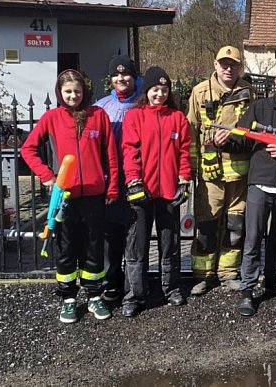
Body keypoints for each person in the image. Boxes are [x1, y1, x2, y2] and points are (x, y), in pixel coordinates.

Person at [214, 62, 276, 316]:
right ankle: (248, 290)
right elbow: (242, 140)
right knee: (253, 237)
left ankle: (270, 282)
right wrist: (223, 143)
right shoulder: (259, 108)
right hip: (260, 183)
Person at [21, 69, 118, 323]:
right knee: (66, 249)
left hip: (95, 196)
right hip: (64, 197)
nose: (73, 95)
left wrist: (113, 187)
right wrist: (48, 176)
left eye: (77, 91)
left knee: (94, 248)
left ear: (84, 91)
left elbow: (111, 156)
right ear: (60, 93)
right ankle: (68, 299)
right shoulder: (51, 118)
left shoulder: (99, 116)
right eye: (68, 91)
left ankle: (95, 296)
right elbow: (28, 149)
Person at [120, 66, 192, 317]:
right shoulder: (135, 117)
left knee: (169, 242)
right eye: (154, 90)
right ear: (146, 91)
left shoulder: (178, 118)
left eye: (164, 90)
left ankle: (171, 288)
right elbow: (130, 151)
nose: (159, 94)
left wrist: (184, 181)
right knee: (137, 245)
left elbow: (184, 152)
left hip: (169, 191)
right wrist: (133, 180)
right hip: (142, 190)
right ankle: (134, 295)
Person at [186, 46, 255, 296]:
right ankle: (203, 275)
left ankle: (228, 273)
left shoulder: (249, 92)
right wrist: (191, 169)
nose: (228, 68)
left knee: (235, 227)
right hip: (210, 174)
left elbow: (254, 129)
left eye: (233, 64)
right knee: (206, 225)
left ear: (240, 67)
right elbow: (191, 131)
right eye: (224, 64)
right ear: (215, 64)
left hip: (240, 173)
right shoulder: (200, 92)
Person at [93, 54, 144, 303]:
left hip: (138, 177)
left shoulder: (145, 103)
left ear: (134, 77)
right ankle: (111, 280)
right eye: (116, 75)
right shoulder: (101, 106)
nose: (121, 78)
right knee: (110, 233)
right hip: (112, 177)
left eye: (126, 74)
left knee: (135, 232)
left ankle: (136, 282)